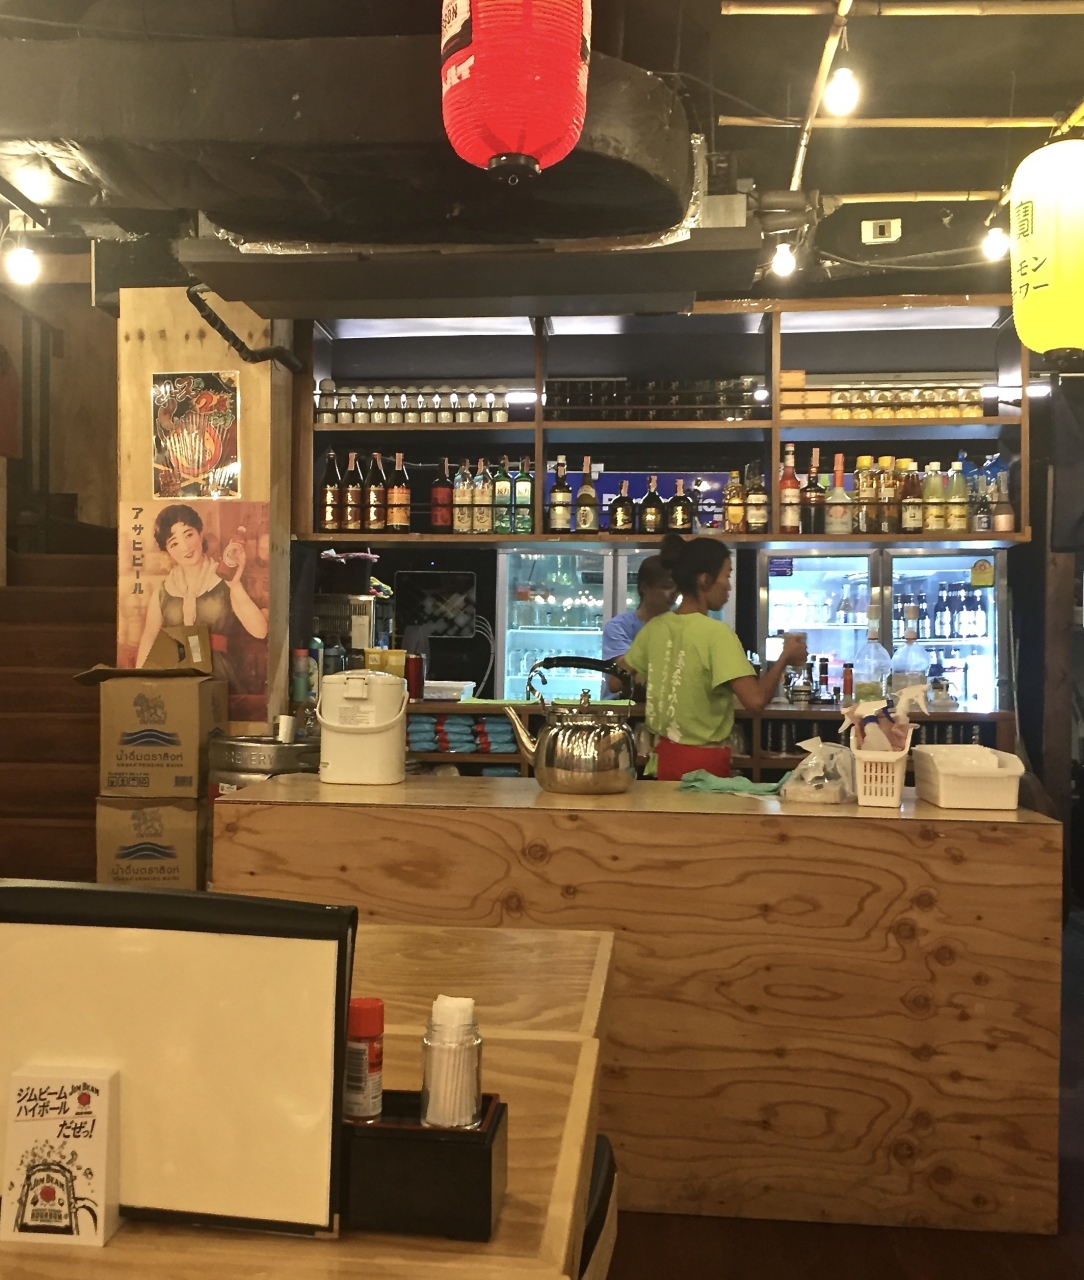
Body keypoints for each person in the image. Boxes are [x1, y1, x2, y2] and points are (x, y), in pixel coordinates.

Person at [617, 533, 807, 781]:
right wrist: (785, 657)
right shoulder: (717, 633)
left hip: (663, 760)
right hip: (704, 768)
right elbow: (756, 701)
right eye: (726, 576)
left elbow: (615, 681)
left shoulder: (655, 627)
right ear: (704, 579)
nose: (729, 586)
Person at [136, 504, 268, 687]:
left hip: (218, 675)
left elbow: (260, 631)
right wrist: (140, 684)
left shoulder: (225, 578)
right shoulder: (163, 591)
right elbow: (149, 639)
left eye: (189, 535)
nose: (185, 547)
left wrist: (235, 585)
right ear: (167, 551)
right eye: (174, 543)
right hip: (175, 676)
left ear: (200, 533)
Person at [601, 555, 677, 699]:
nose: (674, 593)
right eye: (667, 586)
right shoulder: (618, 626)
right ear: (644, 588)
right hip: (620, 707)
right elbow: (625, 677)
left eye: (678, 588)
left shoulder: (678, 627)